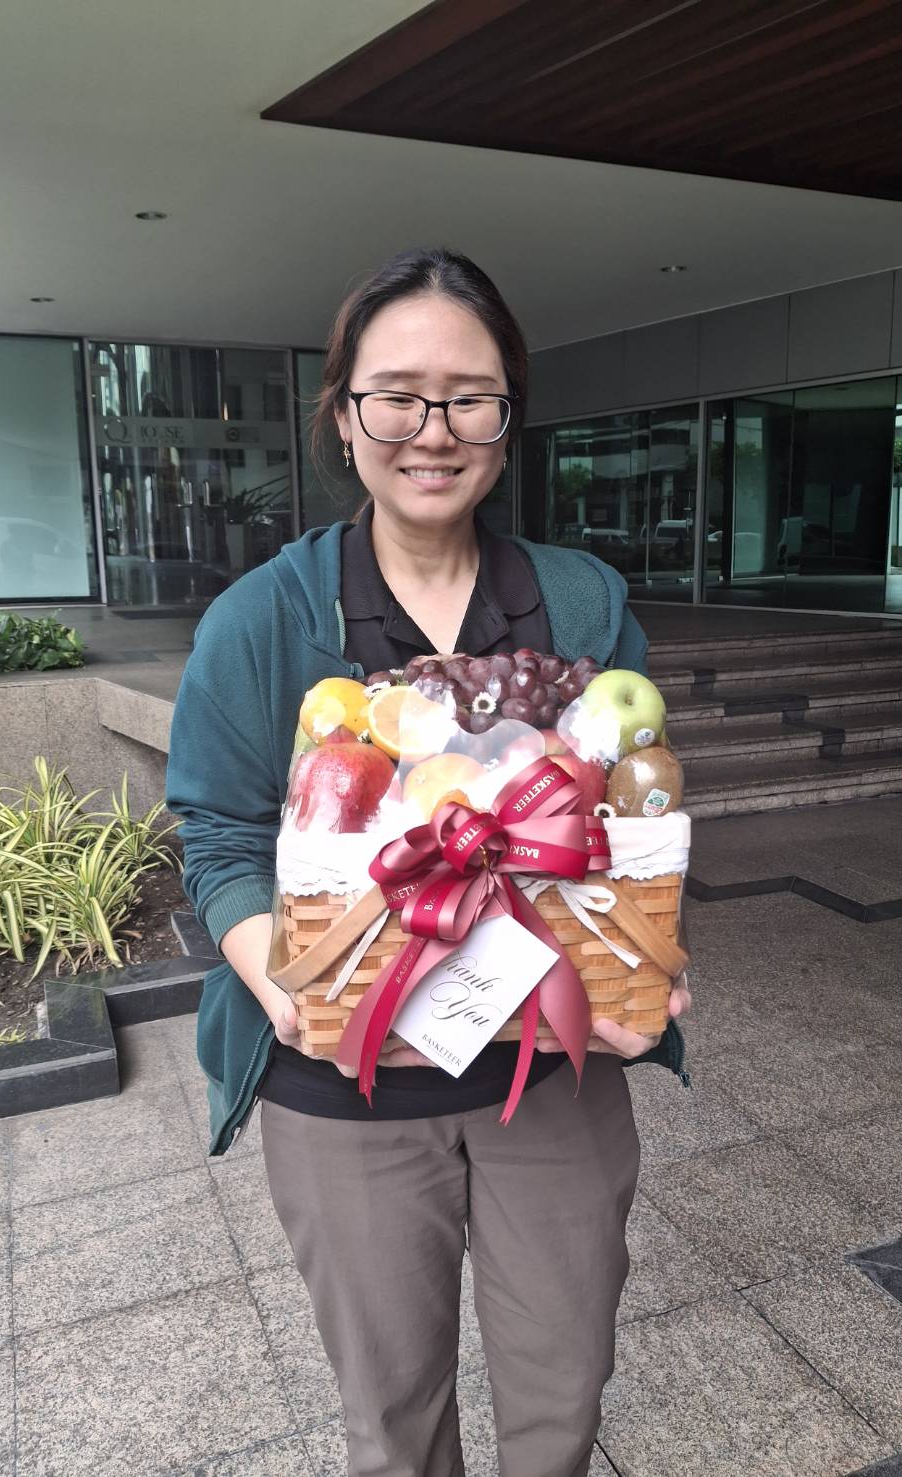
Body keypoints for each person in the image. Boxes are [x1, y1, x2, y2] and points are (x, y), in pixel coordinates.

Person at [166, 247, 691, 1477]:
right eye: (396, 394)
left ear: (508, 417)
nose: (432, 429)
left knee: (563, 1394)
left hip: (548, 1071)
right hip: (344, 1091)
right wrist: (278, 980)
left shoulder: (579, 599)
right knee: (391, 1422)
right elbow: (224, 837)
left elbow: (629, 808)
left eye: (470, 395)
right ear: (342, 415)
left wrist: (652, 961)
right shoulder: (265, 618)